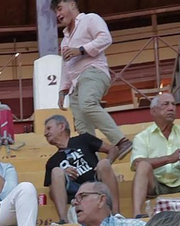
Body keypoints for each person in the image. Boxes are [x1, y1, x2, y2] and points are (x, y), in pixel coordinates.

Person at [53, 0, 130, 158]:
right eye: (55, 12)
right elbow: (65, 65)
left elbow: (105, 38)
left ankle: (121, 141)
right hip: (75, 85)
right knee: (83, 128)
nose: (58, 15)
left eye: (59, 9)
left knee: (87, 103)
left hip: (93, 71)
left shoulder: (90, 19)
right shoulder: (65, 40)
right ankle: (92, 164)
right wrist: (63, 89)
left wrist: (81, 50)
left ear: (72, 4)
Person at [130, 92, 180, 217]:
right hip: (155, 184)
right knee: (142, 165)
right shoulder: (142, 137)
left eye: (173, 104)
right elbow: (136, 163)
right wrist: (169, 159)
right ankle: (137, 214)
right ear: (153, 111)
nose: (171, 108)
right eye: (165, 104)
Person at [43, 113, 115, 224]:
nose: (45, 133)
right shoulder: (52, 161)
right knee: (56, 171)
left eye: (49, 128)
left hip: (95, 183)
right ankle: (63, 220)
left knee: (104, 163)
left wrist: (106, 162)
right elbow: (52, 194)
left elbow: (112, 149)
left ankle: (116, 215)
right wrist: (63, 174)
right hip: (75, 194)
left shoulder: (83, 139)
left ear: (62, 126)